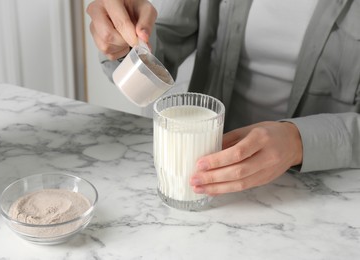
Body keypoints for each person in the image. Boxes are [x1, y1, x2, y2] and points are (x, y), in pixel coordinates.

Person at [87, 0, 360, 195]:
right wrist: (126, 37)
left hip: (322, 187)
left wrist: (296, 142)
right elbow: (163, 42)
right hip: (204, 171)